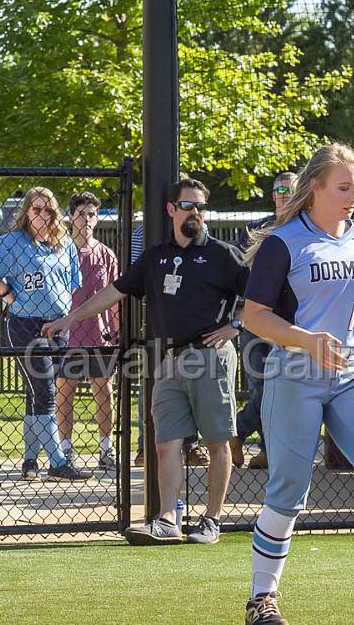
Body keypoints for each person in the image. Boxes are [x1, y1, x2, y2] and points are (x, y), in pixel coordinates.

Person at [239, 143, 354, 625]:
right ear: (317, 189)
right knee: (289, 487)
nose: (353, 196)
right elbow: (254, 316)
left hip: (351, 375)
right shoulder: (284, 242)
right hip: (295, 374)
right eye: (343, 187)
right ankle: (261, 597)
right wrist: (305, 340)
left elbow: (351, 309)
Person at [44, 175, 247, 545]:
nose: (196, 213)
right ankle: (168, 519)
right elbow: (114, 291)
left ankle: (211, 520)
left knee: (217, 441)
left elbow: (259, 297)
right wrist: (71, 318)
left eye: (201, 206)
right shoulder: (156, 257)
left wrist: (236, 325)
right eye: (188, 205)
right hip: (166, 360)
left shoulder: (222, 254)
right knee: (164, 442)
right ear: (171, 209)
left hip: (210, 358)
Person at [0, 186, 92, 482]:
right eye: (36, 209)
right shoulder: (13, 243)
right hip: (25, 325)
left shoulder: (64, 245)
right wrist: (3, 290)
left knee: (36, 394)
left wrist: (61, 311)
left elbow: (73, 283)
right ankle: (58, 461)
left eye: (49, 210)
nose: (43, 215)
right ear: (26, 212)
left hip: (57, 327)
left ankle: (30, 460)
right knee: (46, 391)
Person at [235, 170, 298, 471]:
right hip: (257, 319)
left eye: (290, 189)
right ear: (272, 194)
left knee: (282, 388)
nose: (284, 194)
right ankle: (245, 437)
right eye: (279, 189)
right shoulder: (254, 230)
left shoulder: (306, 227)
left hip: (291, 323)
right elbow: (238, 274)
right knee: (261, 386)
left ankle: (247, 438)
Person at [54, 191, 120, 472]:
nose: (87, 219)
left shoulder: (105, 254)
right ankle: (65, 450)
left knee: (103, 390)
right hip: (68, 335)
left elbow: (115, 296)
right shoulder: (59, 251)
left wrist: (117, 331)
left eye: (92, 214)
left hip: (99, 334)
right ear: (71, 217)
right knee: (64, 391)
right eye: (82, 214)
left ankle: (106, 448)